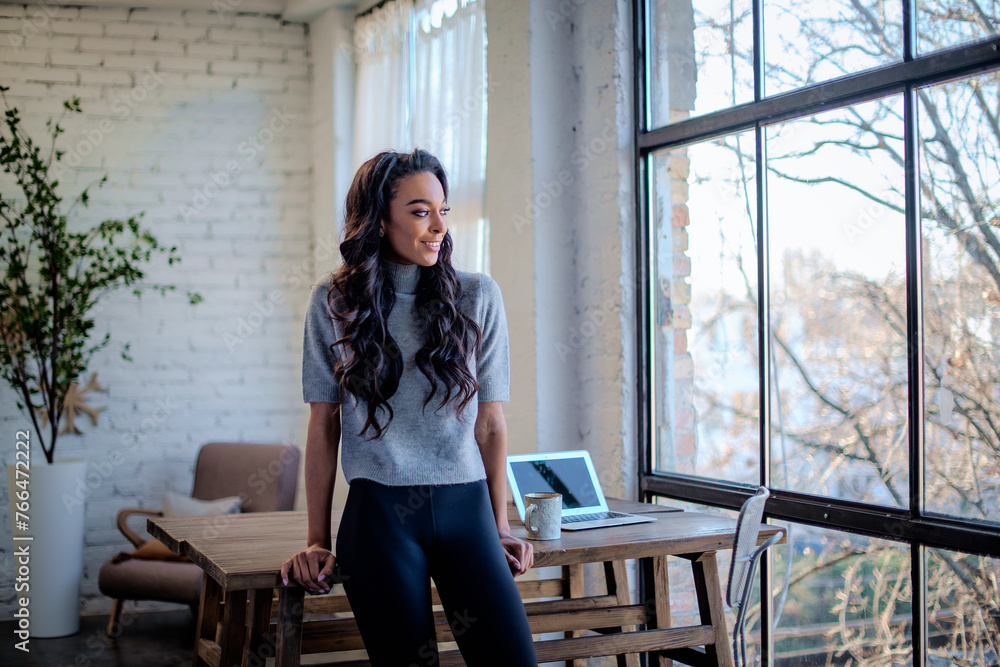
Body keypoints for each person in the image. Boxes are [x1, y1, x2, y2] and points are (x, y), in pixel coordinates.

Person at [280, 149, 538, 666]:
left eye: (443, 210)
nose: (438, 226)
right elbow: (324, 423)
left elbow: (489, 423)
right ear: (379, 218)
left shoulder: (478, 295)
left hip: (467, 510)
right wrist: (315, 540)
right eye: (421, 211)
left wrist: (501, 524)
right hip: (378, 519)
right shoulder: (333, 303)